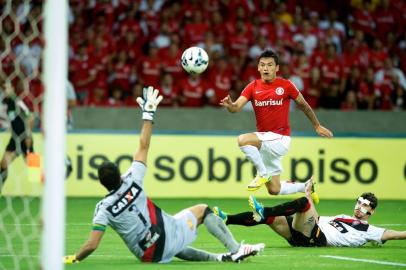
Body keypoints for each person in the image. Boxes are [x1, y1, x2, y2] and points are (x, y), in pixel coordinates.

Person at [63, 86, 265, 264]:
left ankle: (220, 259)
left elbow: (92, 244)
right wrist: (148, 114)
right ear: (119, 173)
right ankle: (235, 250)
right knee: (202, 210)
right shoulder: (133, 178)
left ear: (102, 183)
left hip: (150, 255)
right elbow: (144, 145)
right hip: (167, 235)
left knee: (172, 234)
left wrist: (74, 258)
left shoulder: (103, 208)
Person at [220, 50, 333, 201]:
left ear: (276, 68)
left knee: (242, 140)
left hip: (280, 138)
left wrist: (317, 125)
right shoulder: (252, 87)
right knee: (274, 189)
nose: (266, 68)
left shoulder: (286, 85)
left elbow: (304, 105)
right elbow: (236, 108)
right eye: (262, 65)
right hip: (265, 143)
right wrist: (230, 105)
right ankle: (305, 186)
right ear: (258, 68)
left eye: (270, 65)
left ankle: (262, 174)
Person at [214, 182, 406, 247]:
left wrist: (308, 199)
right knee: (270, 218)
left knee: (303, 204)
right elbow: (316, 219)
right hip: (306, 233)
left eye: (365, 205)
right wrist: (308, 193)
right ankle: (227, 219)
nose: (360, 206)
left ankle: (264, 209)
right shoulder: (341, 216)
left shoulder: (369, 230)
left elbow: (395, 234)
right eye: (359, 202)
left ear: (371, 211)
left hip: (316, 239)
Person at [0, 82, 35, 192]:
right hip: (15, 138)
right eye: (4, 88)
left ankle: (47, 189)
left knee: (34, 170)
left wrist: (28, 133)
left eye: (8, 88)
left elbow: (30, 116)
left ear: (13, 89)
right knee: (4, 163)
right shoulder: (6, 103)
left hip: (25, 137)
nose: (6, 90)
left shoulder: (17, 101)